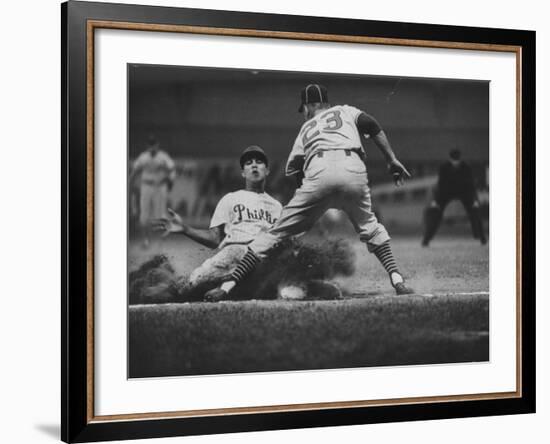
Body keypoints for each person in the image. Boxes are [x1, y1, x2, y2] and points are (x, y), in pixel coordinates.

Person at [204, 83, 414, 302]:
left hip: (319, 173)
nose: (303, 113)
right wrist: (391, 159)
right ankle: (398, 280)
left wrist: (307, 205)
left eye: (303, 108)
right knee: (371, 227)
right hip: (353, 169)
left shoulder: (306, 128)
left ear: (310, 105)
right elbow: (371, 124)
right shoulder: (346, 110)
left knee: (271, 236)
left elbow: (295, 168)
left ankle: (226, 287)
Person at [150, 145, 283, 298]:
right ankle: (160, 286)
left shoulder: (277, 207)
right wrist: (185, 229)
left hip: (261, 262)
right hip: (232, 255)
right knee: (186, 288)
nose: (254, 165)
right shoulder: (231, 199)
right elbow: (214, 239)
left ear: (267, 171)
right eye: (248, 163)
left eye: (259, 162)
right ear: (243, 173)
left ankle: (229, 288)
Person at [422, 148, 487, 246]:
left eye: (457, 160)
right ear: (450, 159)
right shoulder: (444, 167)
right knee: (435, 213)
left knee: (475, 211)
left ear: (460, 159)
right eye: (454, 160)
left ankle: (481, 237)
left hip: (464, 192)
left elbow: (470, 185)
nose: (455, 163)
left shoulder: (466, 167)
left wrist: (474, 200)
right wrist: (436, 201)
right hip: (446, 192)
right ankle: (426, 240)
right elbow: (441, 184)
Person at [129, 134, 176, 247]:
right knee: (144, 216)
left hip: (160, 187)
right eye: (150, 145)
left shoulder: (163, 156)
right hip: (146, 186)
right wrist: (129, 184)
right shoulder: (143, 157)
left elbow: (172, 169)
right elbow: (134, 172)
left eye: (154, 144)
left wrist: (170, 181)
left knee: (160, 215)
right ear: (147, 146)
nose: (152, 147)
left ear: (157, 145)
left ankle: (161, 242)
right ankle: (145, 240)